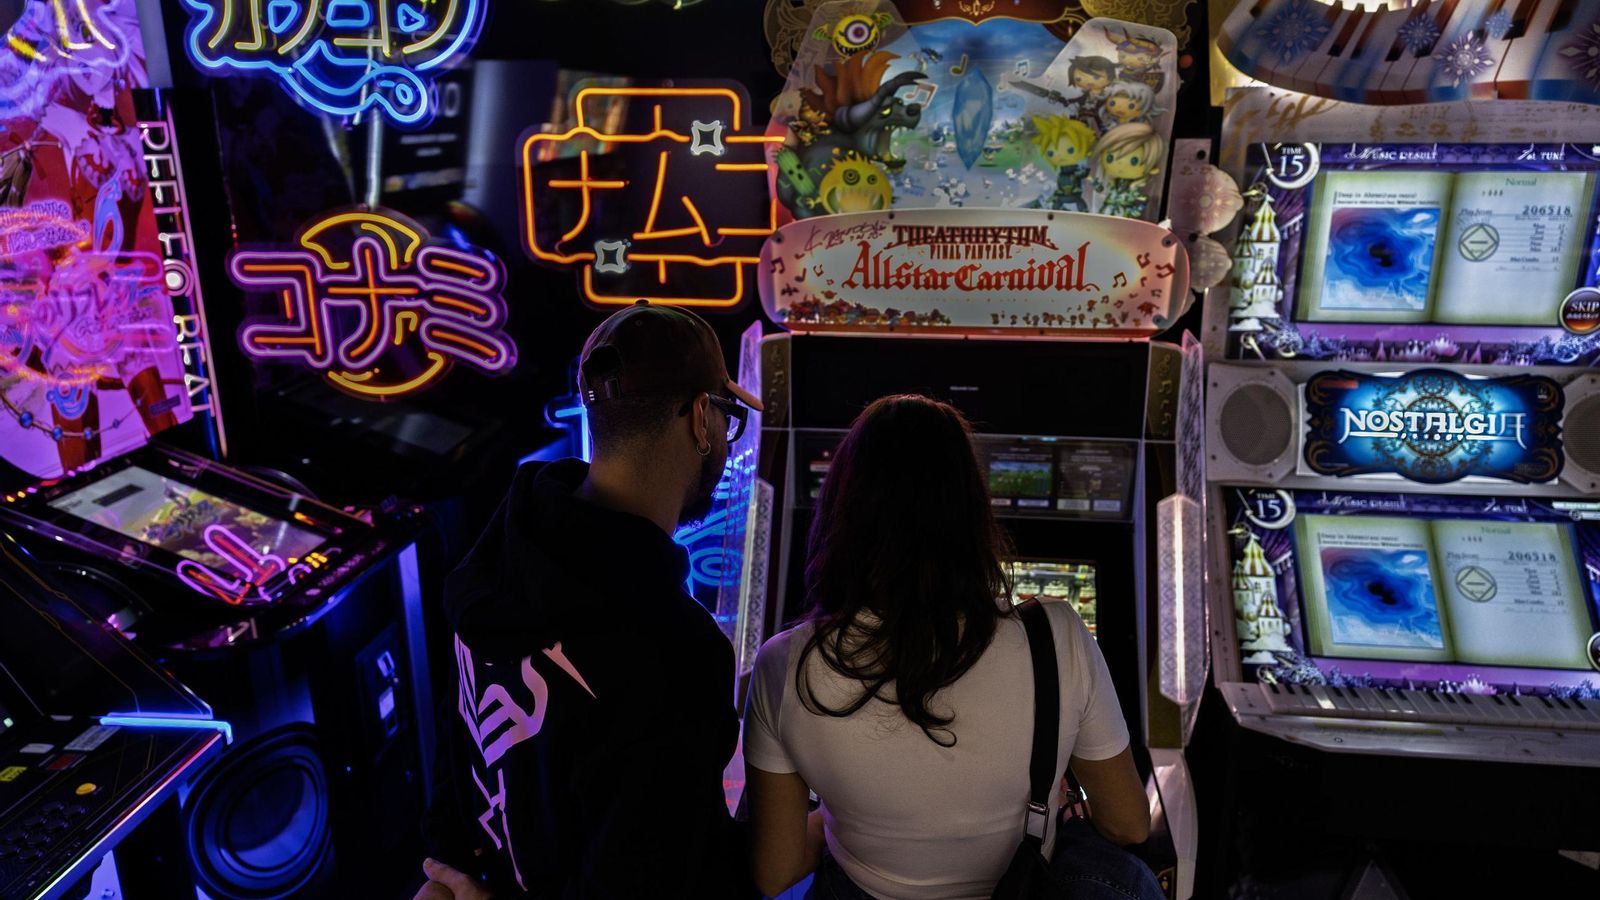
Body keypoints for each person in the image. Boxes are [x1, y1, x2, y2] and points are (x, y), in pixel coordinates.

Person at [743, 395, 1154, 899]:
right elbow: (1130, 825)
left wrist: (845, 820)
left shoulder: (783, 663)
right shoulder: (1055, 633)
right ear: (974, 510)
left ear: (841, 510)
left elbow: (776, 869)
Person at [417, 301, 762, 899]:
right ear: (702, 419)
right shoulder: (677, 651)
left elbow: (463, 763)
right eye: (728, 419)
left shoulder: (498, 559)